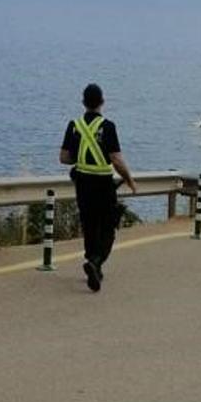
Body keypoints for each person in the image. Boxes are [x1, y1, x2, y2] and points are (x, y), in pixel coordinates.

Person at [60, 83, 138, 292]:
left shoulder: (74, 125)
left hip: (82, 183)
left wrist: (83, 155)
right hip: (103, 184)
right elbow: (116, 160)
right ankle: (95, 262)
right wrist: (129, 179)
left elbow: (64, 157)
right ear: (102, 102)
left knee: (89, 223)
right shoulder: (108, 126)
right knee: (108, 226)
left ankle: (92, 263)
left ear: (83, 102)